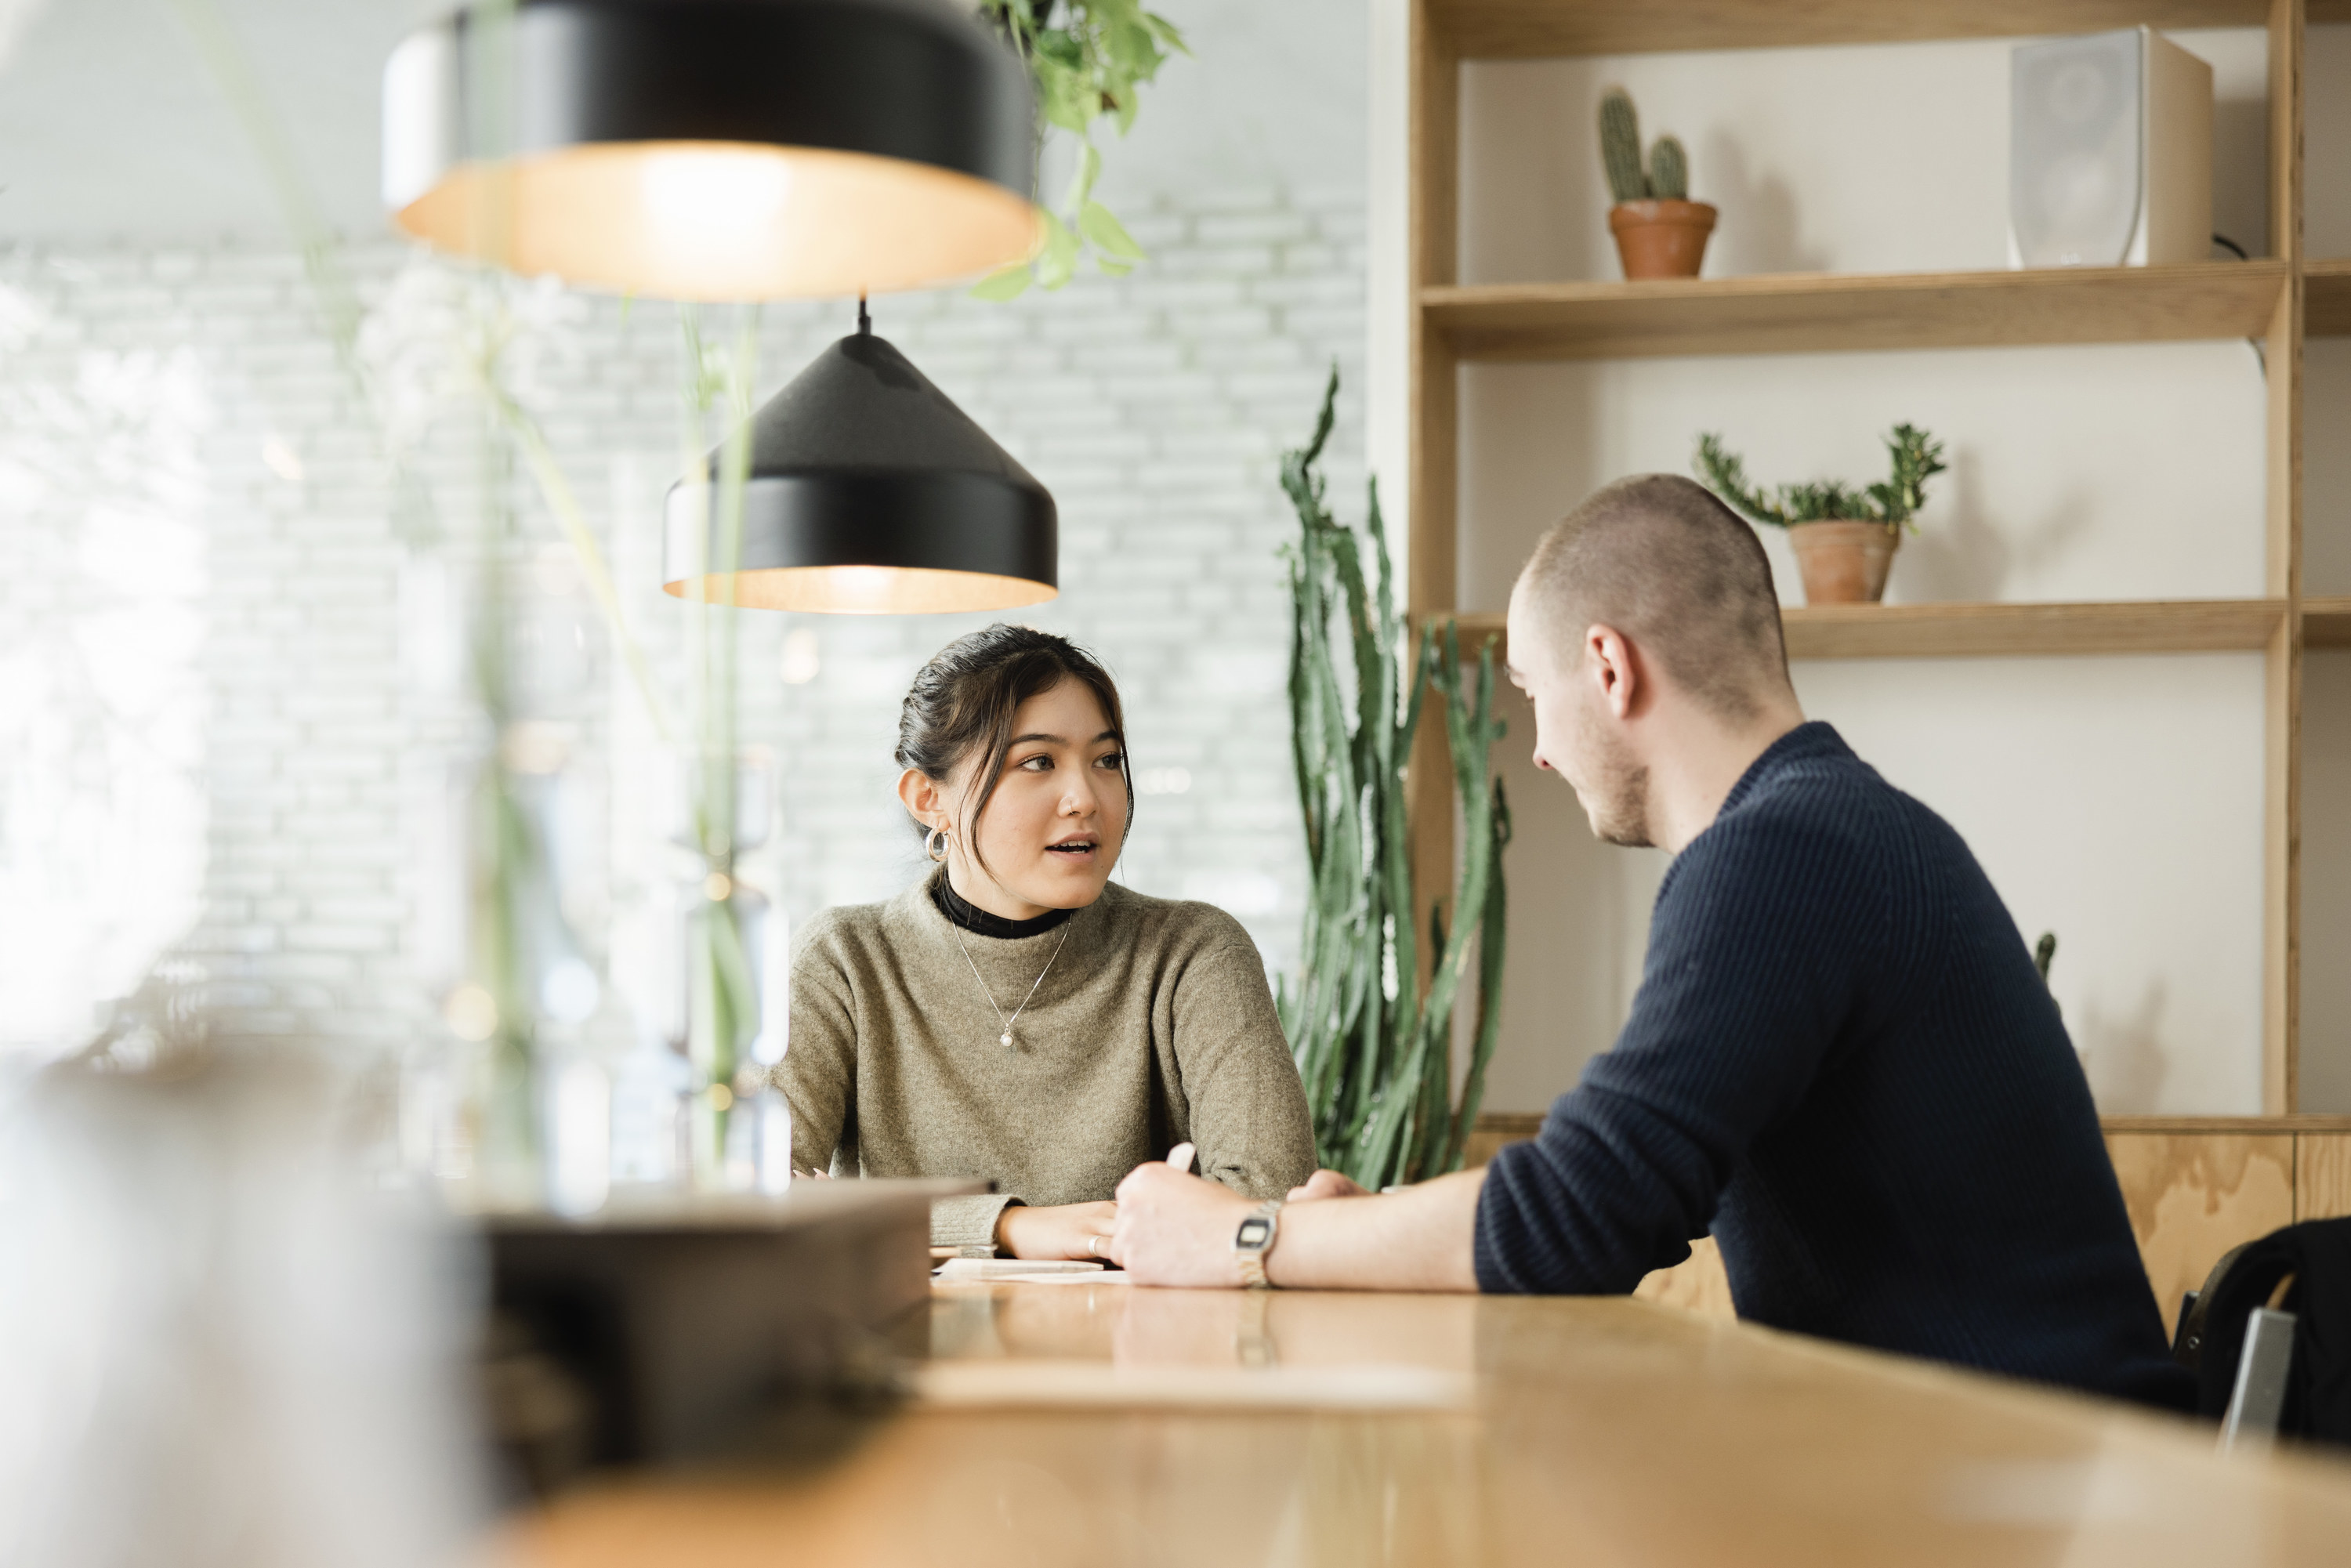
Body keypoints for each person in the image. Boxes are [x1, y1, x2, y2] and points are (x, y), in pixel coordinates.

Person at [1109, 475, 2192, 1408]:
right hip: (2004, 1471)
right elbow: (1631, 1185)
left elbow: (1586, 1213)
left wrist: (1242, 1237)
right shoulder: (1837, 826)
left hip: (2029, 1500)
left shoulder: (1781, 854)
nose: (1534, 750)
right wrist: (1373, 1231)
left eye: (1535, 695)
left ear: (1610, 666)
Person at [779, 625, 1317, 1260]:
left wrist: (896, 1220)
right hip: (902, 1351)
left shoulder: (1194, 952)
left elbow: (1272, 1202)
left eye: (1106, 760)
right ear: (930, 799)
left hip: (1139, 1349)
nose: (1085, 798)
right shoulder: (845, 960)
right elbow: (758, 1198)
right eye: (1038, 761)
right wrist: (1011, 1226)